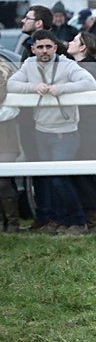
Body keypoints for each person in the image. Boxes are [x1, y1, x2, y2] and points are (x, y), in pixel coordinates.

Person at [8, 30, 96, 234]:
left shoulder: (67, 65)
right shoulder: (29, 65)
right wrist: (34, 87)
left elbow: (90, 82)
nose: (44, 51)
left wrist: (62, 88)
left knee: (60, 179)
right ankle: (60, 221)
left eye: (48, 46)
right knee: (50, 179)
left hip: (65, 132)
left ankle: (78, 221)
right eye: (40, 47)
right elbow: (12, 84)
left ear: (55, 48)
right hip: (42, 130)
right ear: (33, 49)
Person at [67, 31, 96, 233]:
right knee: (88, 172)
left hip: (87, 127)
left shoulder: (87, 68)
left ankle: (89, 220)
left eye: (75, 40)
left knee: (87, 172)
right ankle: (87, 217)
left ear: (83, 47)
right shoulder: (91, 65)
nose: (70, 42)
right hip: (90, 126)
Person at [0, 60, 21, 233]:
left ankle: (12, 223)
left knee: (3, 182)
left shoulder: (5, 73)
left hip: (5, 138)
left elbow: (11, 108)